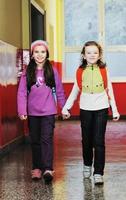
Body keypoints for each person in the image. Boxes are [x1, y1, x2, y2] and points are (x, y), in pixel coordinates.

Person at [62, 41, 120, 185]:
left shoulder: (104, 70)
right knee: (87, 140)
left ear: (99, 54)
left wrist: (115, 109)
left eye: (95, 52)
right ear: (84, 55)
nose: (92, 55)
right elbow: (75, 90)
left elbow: (109, 89)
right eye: (89, 52)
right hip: (85, 109)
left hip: (101, 108)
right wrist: (66, 107)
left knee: (99, 141)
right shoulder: (80, 71)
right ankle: (87, 165)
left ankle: (98, 172)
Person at [17, 40, 67, 182]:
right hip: (32, 113)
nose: (40, 55)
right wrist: (22, 110)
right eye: (37, 52)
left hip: (48, 112)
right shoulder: (28, 71)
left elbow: (59, 91)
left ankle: (48, 169)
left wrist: (64, 108)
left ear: (47, 53)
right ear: (32, 54)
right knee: (35, 141)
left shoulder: (52, 70)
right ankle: (37, 168)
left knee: (46, 140)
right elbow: (22, 92)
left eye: (43, 52)